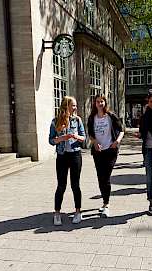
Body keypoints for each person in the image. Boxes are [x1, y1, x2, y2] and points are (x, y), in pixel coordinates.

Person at [49, 96, 86, 225]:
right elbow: (51, 140)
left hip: (75, 155)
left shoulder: (77, 120)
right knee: (61, 186)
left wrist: (76, 136)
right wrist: (61, 138)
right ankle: (57, 213)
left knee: (75, 185)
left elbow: (84, 138)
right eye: (73, 105)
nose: (75, 108)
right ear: (66, 106)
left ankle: (78, 212)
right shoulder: (55, 121)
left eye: (75, 106)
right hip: (62, 156)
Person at [87, 95, 124, 218]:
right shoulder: (92, 118)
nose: (100, 103)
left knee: (106, 176)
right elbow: (90, 134)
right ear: (95, 104)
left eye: (102, 101)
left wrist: (117, 141)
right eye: (98, 102)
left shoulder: (111, 116)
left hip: (110, 150)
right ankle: (104, 201)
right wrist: (94, 142)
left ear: (105, 103)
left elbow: (121, 130)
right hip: (98, 152)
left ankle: (106, 204)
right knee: (100, 177)